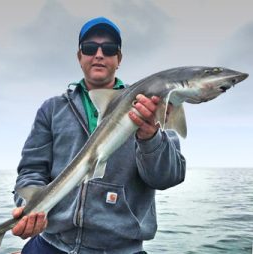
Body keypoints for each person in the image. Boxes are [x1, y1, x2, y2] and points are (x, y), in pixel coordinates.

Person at [12, 17, 186, 254]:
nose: (99, 54)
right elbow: (32, 169)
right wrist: (28, 207)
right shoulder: (52, 109)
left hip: (122, 249)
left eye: (110, 49)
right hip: (52, 243)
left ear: (119, 59)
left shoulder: (152, 104)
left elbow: (168, 177)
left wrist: (150, 137)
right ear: (79, 56)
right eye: (90, 48)